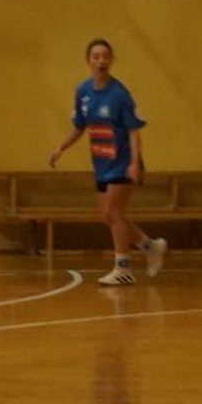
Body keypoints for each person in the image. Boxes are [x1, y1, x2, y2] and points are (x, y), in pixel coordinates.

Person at [47, 38, 166, 285]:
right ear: (88, 61)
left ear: (111, 61)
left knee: (114, 212)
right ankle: (150, 246)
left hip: (122, 162)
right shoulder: (83, 91)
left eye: (105, 56)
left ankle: (123, 268)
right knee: (109, 216)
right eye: (96, 56)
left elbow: (134, 132)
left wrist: (134, 163)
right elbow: (80, 127)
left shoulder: (119, 95)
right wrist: (61, 148)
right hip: (101, 164)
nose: (101, 61)